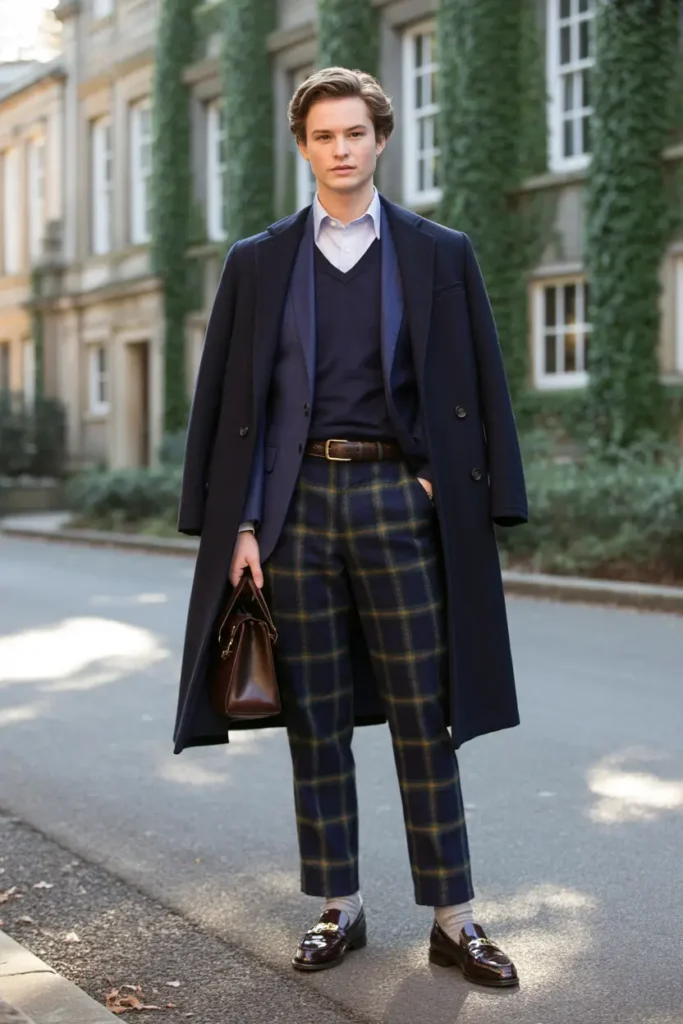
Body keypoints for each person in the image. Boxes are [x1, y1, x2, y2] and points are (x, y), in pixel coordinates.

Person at [173, 67, 528, 988]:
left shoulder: (437, 251)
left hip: (395, 503)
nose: (341, 149)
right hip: (291, 515)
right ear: (304, 147)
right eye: (324, 136)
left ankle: (455, 918)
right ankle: (339, 907)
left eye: (355, 134)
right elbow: (227, 404)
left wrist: (437, 490)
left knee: (424, 717)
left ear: (380, 140)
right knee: (316, 722)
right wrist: (241, 522)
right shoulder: (257, 261)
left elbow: (481, 381)